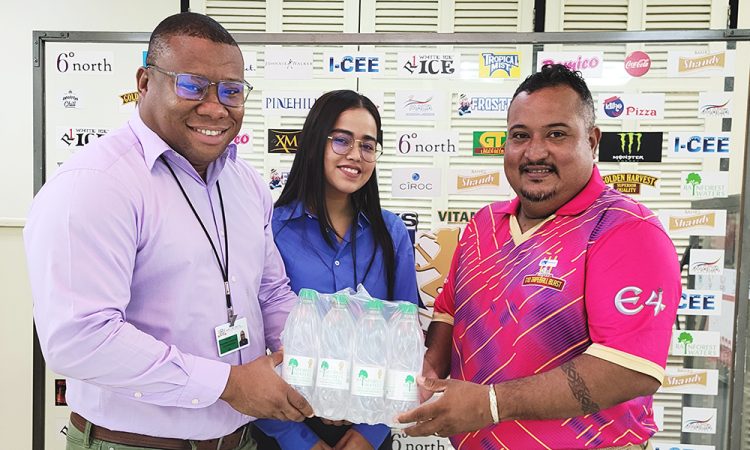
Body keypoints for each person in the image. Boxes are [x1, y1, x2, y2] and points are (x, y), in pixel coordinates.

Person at [24, 12, 313, 450]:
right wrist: (228, 383)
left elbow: (269, 293)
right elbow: (79, 338)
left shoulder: (247, 184)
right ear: (144, 82)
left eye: (231, 91)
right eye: (192, 85)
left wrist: (312, 358)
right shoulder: (95, 184)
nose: (215, 107)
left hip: (238, 440)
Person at [396, 64, 681, 450]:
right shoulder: (483, 223)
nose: (535, 152)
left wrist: (492, 404)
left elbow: (628, 369)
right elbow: (448, 312)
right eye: (520, 136)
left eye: (557, 134)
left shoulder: (626, 230)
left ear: (593, 142)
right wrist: (428, 371)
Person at [252, 90, 420, 450]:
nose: (355, 155)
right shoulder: (271, 229)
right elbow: (251, 351)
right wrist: (297, 441)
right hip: (285, 427)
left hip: (368, 426)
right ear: (315, 143)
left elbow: (407, 348)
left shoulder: (391, 235)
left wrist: (369, 435)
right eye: (341, 140)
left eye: (367, 145)